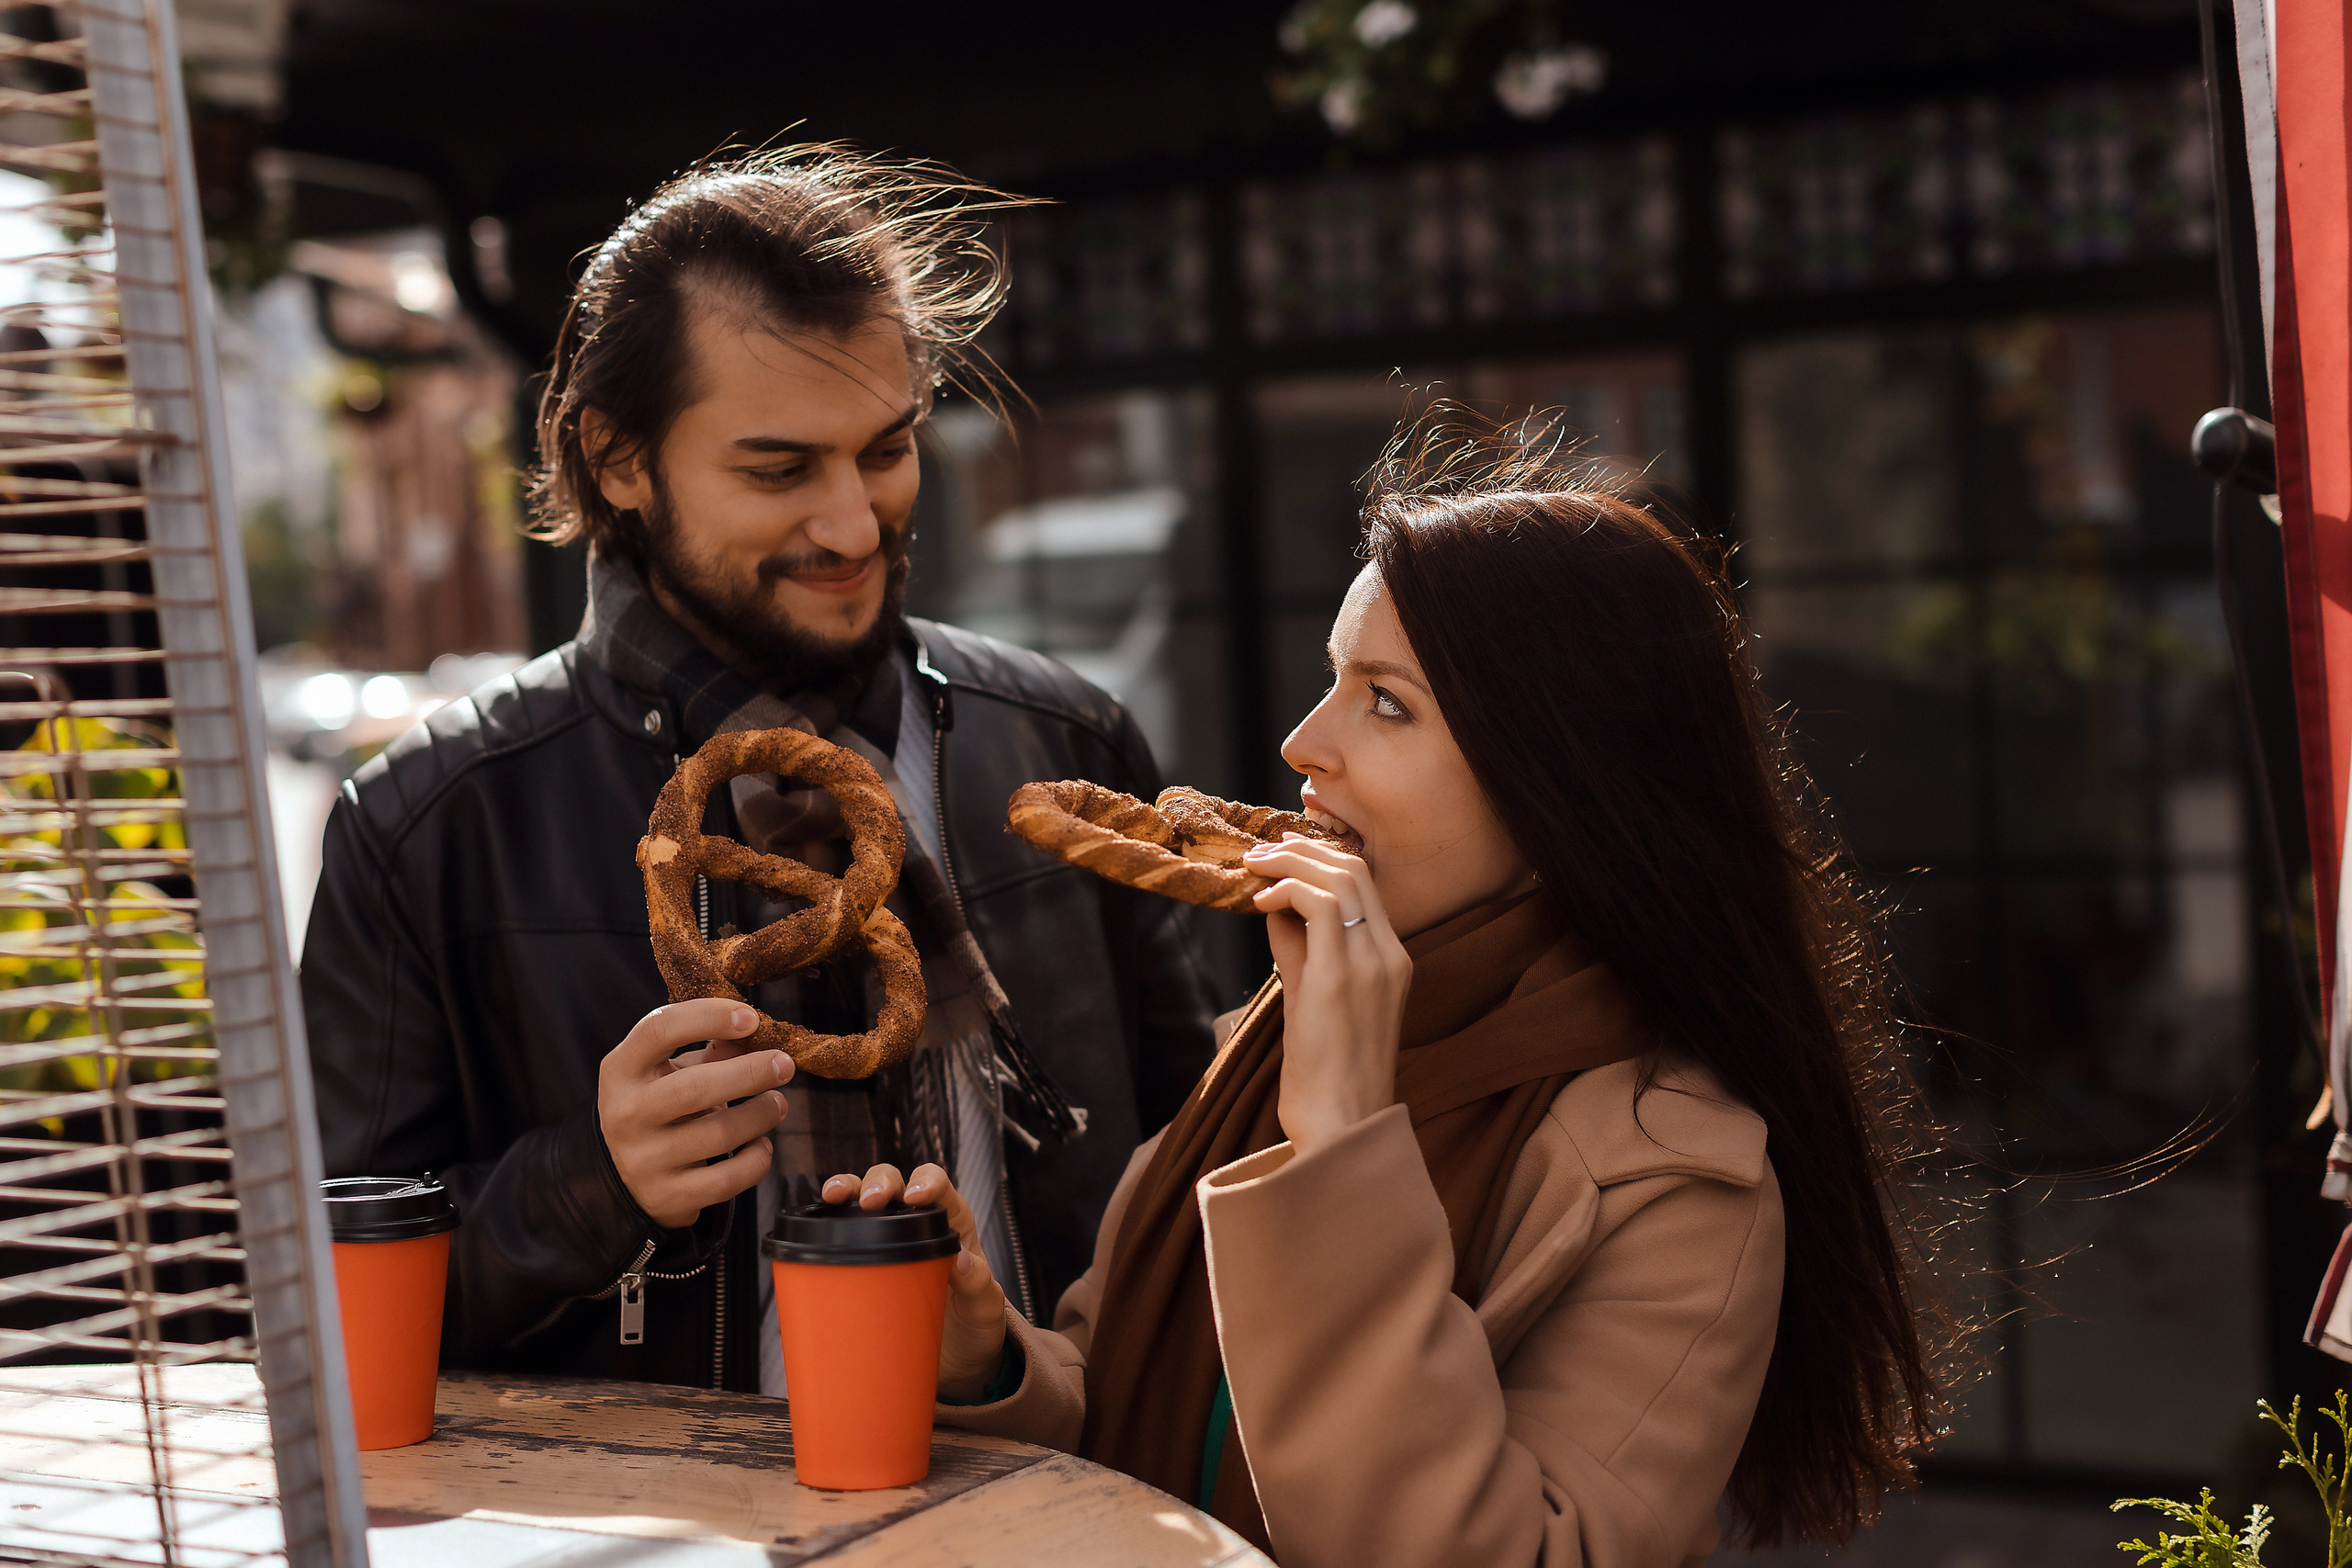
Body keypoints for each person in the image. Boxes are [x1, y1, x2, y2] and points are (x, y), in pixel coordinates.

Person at [827, 427, 1951, 1566]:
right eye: (1332, 680)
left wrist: (1346, 1143)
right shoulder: (1271, 1040)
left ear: (1561, 786)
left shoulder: (1676, 1178)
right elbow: (1146, 1422)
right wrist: (995, 1364)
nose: (1302, 742)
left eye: (1388, 704)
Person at [299, 146, 1220, 1393]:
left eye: (887, 449)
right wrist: (584, 1181)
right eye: (778, 469)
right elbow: (314, 1299)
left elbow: (1201, 1170)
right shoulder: (429, 825)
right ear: (620, 459)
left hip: (1053, 1486)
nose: (851, 524)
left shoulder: (1064, 744)